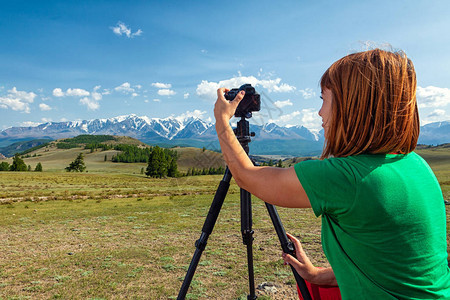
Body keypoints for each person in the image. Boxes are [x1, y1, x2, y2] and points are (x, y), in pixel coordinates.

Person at [213, 49, 450, 299]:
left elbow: (246, 176)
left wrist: (221, 119)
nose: (319, 113)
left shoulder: (347, 177)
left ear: (351, 107)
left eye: (324, 99)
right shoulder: (416, 165)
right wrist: (317, 276)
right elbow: (390, 264)